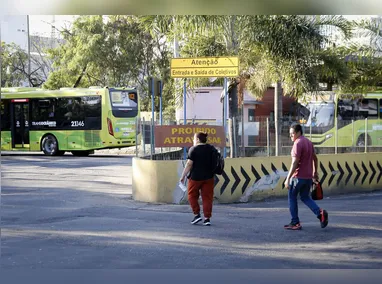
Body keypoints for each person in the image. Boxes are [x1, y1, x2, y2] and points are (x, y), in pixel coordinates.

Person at [284, 124, 329, 230]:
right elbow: (315, 158)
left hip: (297, 177)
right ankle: (320, 213)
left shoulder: (297, 143)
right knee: (305, 197)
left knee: (292, 197)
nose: (291, 136)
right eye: (290, 134)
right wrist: (315, 172)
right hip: (308, 177)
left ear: (298, 132)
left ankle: (295, 222)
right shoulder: (308, 142)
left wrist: (288, 178)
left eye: (292, 133)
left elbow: (295, 162)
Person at [180, 132, 216, 226]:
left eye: (194, 139)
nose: (193, 140)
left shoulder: (193, 149)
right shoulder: (211, 148)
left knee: (192, 196)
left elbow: (189, 164)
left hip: (195, 178)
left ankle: (197, 214)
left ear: (198, 140)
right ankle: (207, 218)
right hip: (209, 177)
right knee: (207, 198)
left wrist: (183, 176)